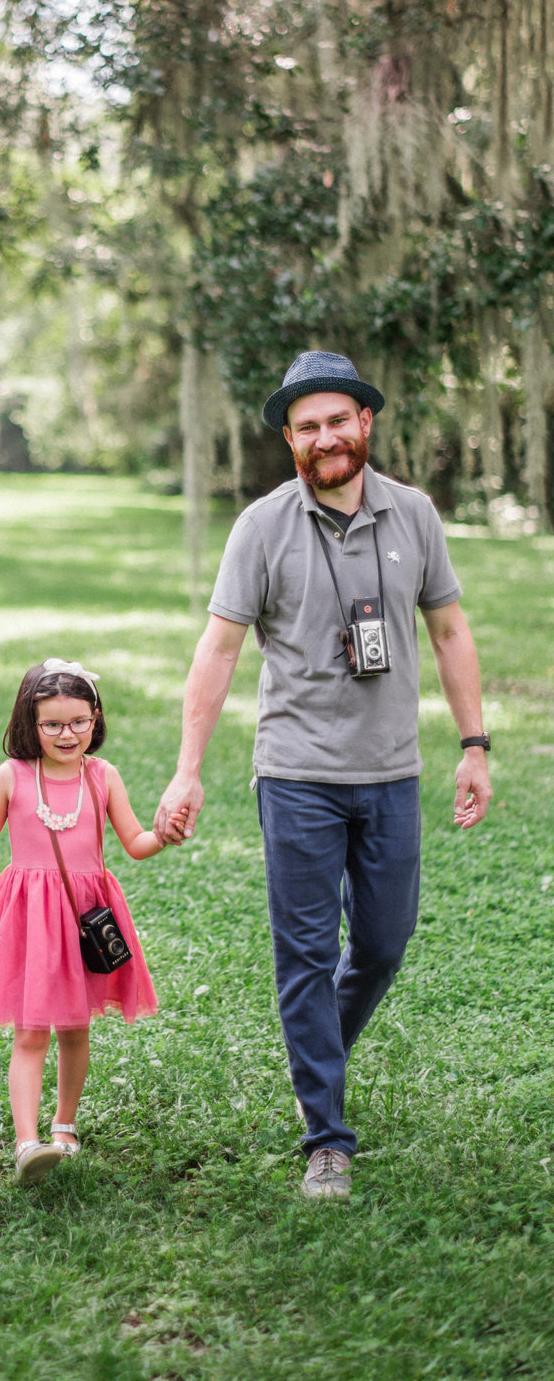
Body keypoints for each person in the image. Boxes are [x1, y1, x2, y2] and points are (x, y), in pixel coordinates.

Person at [154, 351, 492, 1200]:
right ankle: (326, 1136)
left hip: (391, 774)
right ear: (288, 438)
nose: (325, 437)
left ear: (366, 423)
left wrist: (475, 743)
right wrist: (188, 770)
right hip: (296, 771)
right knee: (304, 954)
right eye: (307, 426)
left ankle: (317, 1059)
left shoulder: (413, 514)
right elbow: (219, 649)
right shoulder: (262, 527)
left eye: (338, 420)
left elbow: (450, 632)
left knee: (382, 943)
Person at [0, 658, 174, 1182]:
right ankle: (26, 1142)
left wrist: (164, 835)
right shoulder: (13, 776)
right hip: (32, 918)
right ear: (29, 723)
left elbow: (134, 844)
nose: (68, 734)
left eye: (79, 721)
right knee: (30, 1032)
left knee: (76, 1028)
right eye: (53, 724)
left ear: (95, 719)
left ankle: (64, 1125)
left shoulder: (103, 776)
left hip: (85, 916)